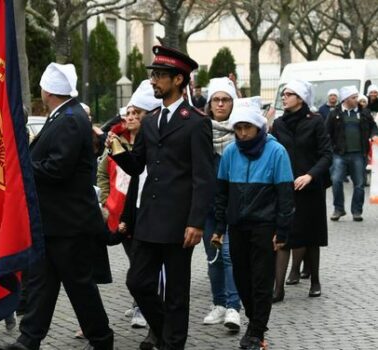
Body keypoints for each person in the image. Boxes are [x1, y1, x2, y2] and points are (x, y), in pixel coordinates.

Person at [0, 63, 114, 350]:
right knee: (42, 286)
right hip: (56, 222)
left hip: (68, 224)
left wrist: (21, 167)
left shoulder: (69, 119)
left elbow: (58, 168)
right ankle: (28, 339)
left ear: (48, 91)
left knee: (80, 287)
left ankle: (102, 339)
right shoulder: (65, 115)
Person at [109, 45, 214, 349]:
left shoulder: (196, 122)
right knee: (137, 282)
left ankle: (172, 343)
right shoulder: (151, 121)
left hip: (179, 223)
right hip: (149, 220)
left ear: (179, 80)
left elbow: (203, 178)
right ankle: (165, 330)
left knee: (177, 293)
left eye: (159, 75)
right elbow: (137, 164)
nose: (153, 81)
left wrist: (196, 222)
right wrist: (115, 148)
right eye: (153, 75)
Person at [214, 98, 294, 350]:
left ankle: (256, 331)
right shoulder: (229, 153)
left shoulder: (276, 152)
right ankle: (254, 321)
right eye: (238, 128)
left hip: (264, 226)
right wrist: (218, 227)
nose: (242, 133)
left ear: (259, 127)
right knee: (242, 278)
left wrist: (281, 231)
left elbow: (285, 196)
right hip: (237, 226)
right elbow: (221, 194)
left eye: (247, 127)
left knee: (261, 280)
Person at [104, 79, 161, 349]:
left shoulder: (163, 136)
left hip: (163, 217)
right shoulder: (140, 140)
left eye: (137, 113)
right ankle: (160, 326)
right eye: (131, 112)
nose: (131, 117)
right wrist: (126, 217)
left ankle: (159, 331)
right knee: (138, 280)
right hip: (139, 214)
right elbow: (135, 179)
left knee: (161, 280)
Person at [270, 79, 332, 301]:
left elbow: (326, 154)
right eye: (284, 94)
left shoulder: (315, 122)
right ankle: (278, 289)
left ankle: (315, 280)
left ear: (301, 98)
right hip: (285, 187)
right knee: (283, 236)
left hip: (310, 188)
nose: (284, 97)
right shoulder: (278, 124)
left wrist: (310, 175)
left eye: (289, 94)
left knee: (311, 236)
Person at [200, 77, 241, 331]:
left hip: (233, 205)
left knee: (229, 256)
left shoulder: (242, 131)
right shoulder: (201, 131)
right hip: (207, 205)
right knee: (213, 257)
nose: (221, 104)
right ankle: (219, 303)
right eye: (216, 99)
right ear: (209, 103)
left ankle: (234, 307)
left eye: (225, 99)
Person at [326, 86, 378, 222]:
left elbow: (374, 127)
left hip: (359, 154)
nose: (357, 100)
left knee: (359, 184)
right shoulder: (334, 114)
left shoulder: (364, 112)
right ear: (346, 99)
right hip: (339, 154)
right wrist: (330, 149)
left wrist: (373, 135)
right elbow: (326, 133)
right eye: (353, 97)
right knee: (336, 180)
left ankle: (357, 211)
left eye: (356, 97)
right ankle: (338, 209)